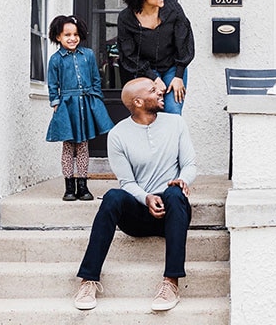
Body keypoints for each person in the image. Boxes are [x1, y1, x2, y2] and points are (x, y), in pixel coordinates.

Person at [73, 77, 197, 312]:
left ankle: (171, 282)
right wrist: (146, 198)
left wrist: (183, 179)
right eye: (153, 90)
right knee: (112, 196)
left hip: (173, 211)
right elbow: (127, 182)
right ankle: (88, 280)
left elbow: (190, 163)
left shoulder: (176, 123)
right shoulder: (118, 135)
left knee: (174, 193)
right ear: (138, 102)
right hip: (138, 215)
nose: (160, 90)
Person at [46, 15, 114, 201]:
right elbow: (53, 84)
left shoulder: (88, 55)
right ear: (58, 36)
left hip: (85, 103)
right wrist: (55, 102)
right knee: (68, 146)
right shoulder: (56, 60)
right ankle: (69, 187)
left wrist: (96, 99)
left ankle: (83, 186)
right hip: (67, 105)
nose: (72, 38)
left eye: (75, 34)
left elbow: (95, 78)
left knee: (83, 146)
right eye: (67, 34)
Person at [117, 0, 195, 115]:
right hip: (142, 69)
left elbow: (184, 44)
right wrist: (154, 78)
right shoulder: (126, 18)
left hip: (172, 67)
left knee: (172, 110)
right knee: (148, 111)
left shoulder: (174, 10)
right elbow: (129, 54)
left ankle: (172, 139)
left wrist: (178, 76)